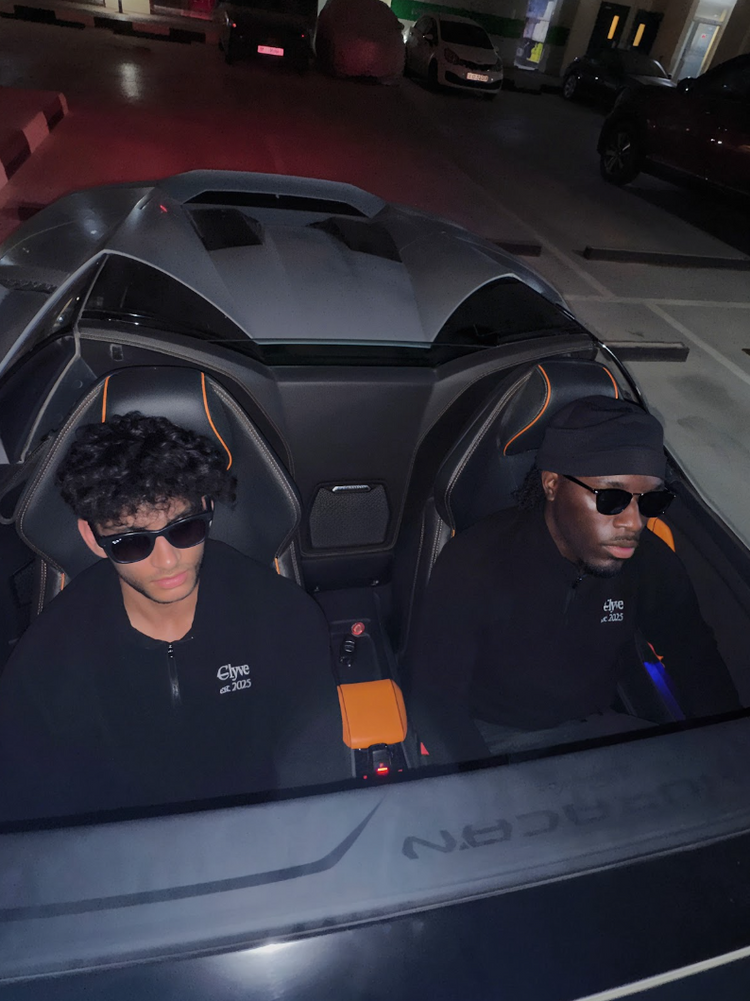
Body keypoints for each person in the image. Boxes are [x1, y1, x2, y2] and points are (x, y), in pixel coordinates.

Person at [0, 413, 347, 821]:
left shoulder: (284, 617)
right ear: (93, 538)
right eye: (132, 543)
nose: (167, 561)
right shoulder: (47, 659)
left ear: (207, 508)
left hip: (263, 835)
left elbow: (315, 772)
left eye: (184, 530)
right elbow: (31, 804)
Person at [409, 396, 740, 763]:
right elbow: (434, 697)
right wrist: (481, 781)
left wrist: (731, 752)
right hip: (493, 739)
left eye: (649, 501)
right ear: (552, 484)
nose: (633, 522)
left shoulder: (647, 561)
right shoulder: (477, 561)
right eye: (611, 498)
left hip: (599, 730)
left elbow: (693, 655)